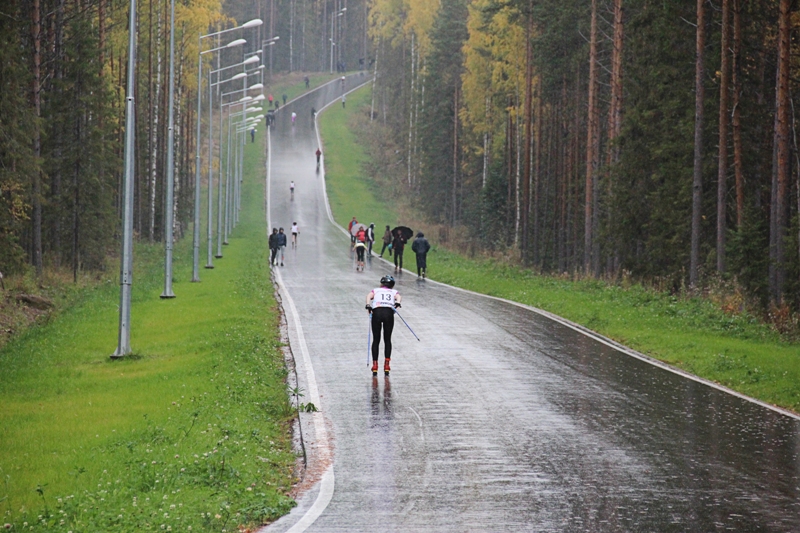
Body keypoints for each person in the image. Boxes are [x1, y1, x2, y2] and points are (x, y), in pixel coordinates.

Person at [366, 275, 401, 376]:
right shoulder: (393, 292)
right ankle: (386, 365)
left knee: (376, 340)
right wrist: (397, 303)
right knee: (387, 339)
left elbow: (369, 296)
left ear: (381, 284)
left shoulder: (376, 290)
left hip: (377, 312)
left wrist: (368, 304)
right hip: (388, 313)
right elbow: (398, 297)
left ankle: (375, 365)